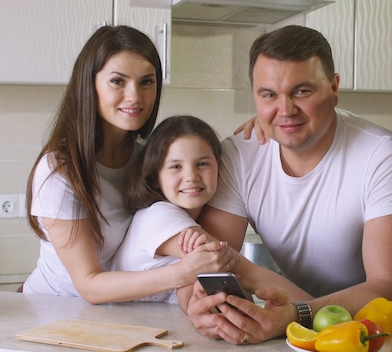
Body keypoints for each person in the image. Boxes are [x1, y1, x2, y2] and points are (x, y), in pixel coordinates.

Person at [183, 25, 392, 344]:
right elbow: (208, 263)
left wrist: (297, 315)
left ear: (334, 87)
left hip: (375, 333)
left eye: (302, 91)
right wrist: (199, 309)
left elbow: (390, 291)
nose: (285, 110)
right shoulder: (238, 155)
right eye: (268, 95)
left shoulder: (381, 156)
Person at [22, 25, 235, 303]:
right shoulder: (61, 169)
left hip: (112, 312)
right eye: (118, 81)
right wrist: (184, 272)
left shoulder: (144, 156)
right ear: (90, 84)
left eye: (147, 81)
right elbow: (90, 286)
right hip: (52, 307)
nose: (135, 96)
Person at [111, 115, 311, 305]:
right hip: (110, 326)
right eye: (175, 167)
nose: (191, 176)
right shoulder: (161, 217)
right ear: (155, 176)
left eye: (202, 164)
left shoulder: (198, 220)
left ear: (220, 168)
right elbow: (250, 275)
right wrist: (319, 312)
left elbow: (234, 289)